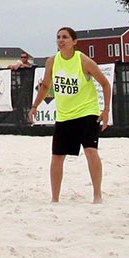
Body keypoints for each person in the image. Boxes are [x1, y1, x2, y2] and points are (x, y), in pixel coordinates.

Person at [28, 28, 111, 203]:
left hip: (87, 112)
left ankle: (97, 195)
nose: (61, 40)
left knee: (90, 151)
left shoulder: (83, 61)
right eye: (58, 37)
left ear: (74, 42)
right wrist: (35, 106)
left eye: (65, 37)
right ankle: (55, 198)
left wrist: (106, 111)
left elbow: (105, 84)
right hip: (65, 115)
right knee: (57, 156)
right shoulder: (52, 61)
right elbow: (45, 87)